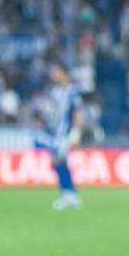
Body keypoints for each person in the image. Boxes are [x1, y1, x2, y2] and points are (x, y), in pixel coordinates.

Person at [37, 62, 87, 211]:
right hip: (54, 133)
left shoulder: (73, 92)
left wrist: (76, 133)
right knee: (57, 162)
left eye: (56, 72)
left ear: (64, 73)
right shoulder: (54, 92)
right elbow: (51, 112)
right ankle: (69, 194)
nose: (54, 75)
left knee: (58, 160)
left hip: (65, 133)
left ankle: (69, 194)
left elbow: (79, 113)